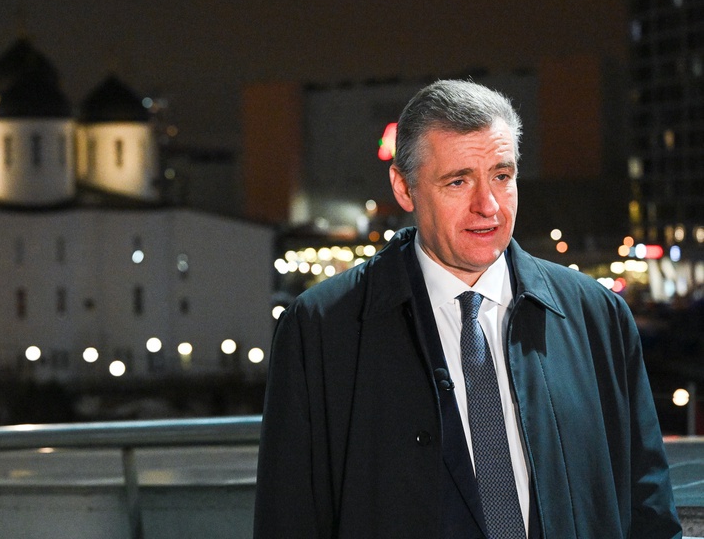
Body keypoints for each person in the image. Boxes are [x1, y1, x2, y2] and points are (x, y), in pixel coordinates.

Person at [253, 79, 682, 538]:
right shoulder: (321, 330)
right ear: (404, 187)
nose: (488, 205)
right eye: (458, 181)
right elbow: (288, 519)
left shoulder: (598, 316)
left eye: (501, 176)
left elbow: (649, 511)